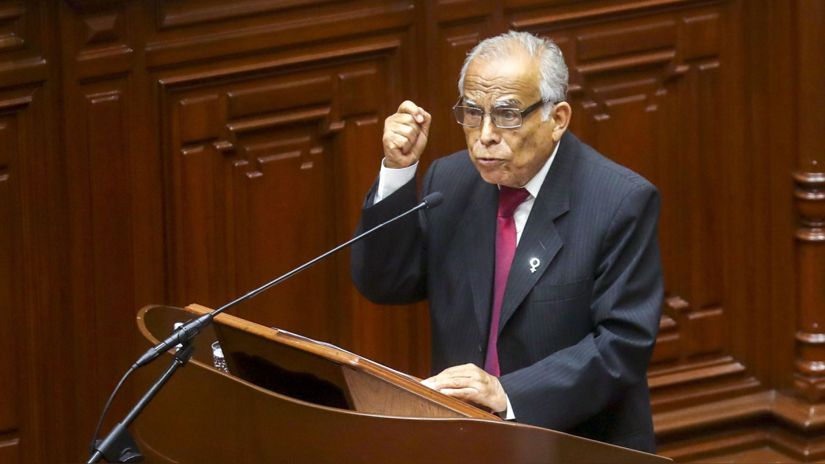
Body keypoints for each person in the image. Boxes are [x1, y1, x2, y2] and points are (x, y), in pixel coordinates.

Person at [350, 30, 663, 453]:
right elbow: (385, 282)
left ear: (557, 119)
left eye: (507, 115)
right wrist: (398, 171)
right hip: (467, 443)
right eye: (472, 113)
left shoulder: (618, 201)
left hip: (574, 445)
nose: (485, 135)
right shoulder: (451, 180)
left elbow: (622, 346)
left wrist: (507, 393)